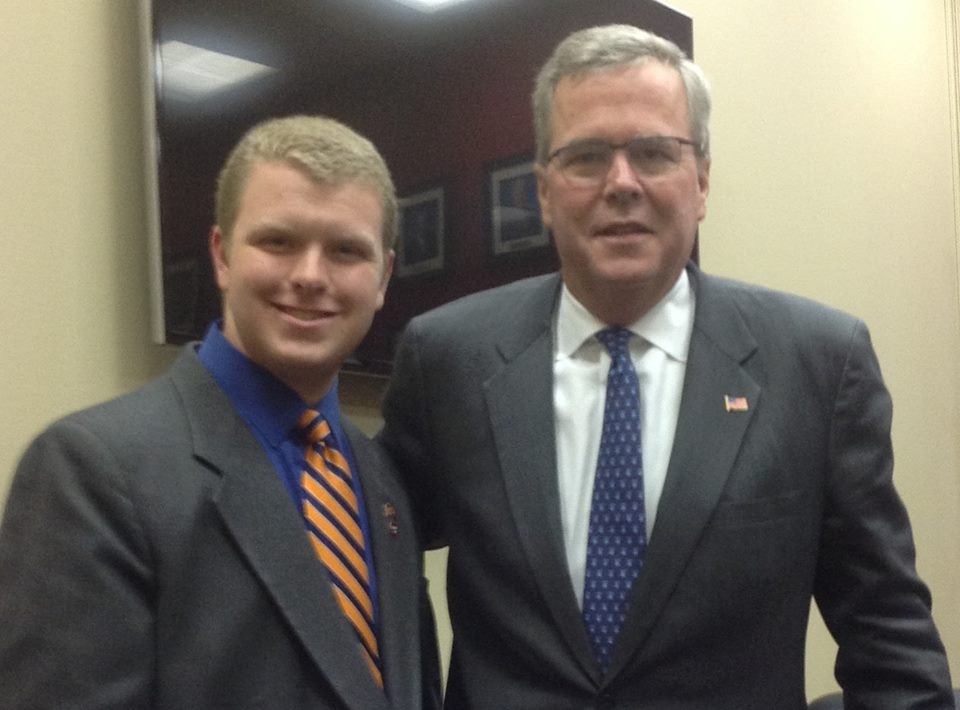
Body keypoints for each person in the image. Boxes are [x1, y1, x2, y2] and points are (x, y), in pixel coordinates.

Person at [379, 25, 954, 709]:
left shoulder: (819, 363)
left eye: (654, 153)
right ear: (542, 191)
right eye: (586, 157)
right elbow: (373, 567)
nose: (621, 184)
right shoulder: (447, 357)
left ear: (702, 180)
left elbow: (890, 645)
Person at [0, 115, 440, 710]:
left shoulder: (382, 477)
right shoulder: (93, 471)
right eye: (278, 241)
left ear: (383, 276)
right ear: (222, 254)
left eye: (345, 250)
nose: (310, 276)